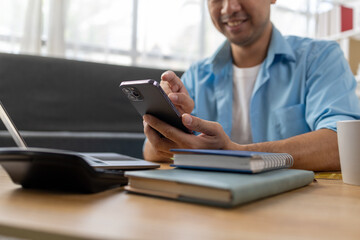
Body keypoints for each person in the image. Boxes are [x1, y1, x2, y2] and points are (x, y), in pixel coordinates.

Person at [142, 0, 360, 171]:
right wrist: (168, 128)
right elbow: (150, 151)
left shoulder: (320, 58)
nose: (229, 8)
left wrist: (237, 154)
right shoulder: (197, 75)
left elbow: (345, 146)